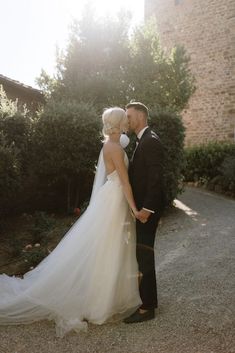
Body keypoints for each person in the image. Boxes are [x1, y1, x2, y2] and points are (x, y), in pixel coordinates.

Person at [0, 107, 142, 337]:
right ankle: (101, 302)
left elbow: (121, 146)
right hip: (116, 198)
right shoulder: (114, 147)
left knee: (108, 247)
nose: (128, 121)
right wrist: (135, 208)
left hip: (111, 196)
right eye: (125, 119)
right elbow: (125, 183)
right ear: (119, 123)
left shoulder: (112, 144)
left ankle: (107, 295)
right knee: (109, 248)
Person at [124, 102, 165, 324]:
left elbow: (155, 179)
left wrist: (146, 210)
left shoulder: (150, 141)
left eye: (129, 116)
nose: (127, 120)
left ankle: (147, 308)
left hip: (146, 211)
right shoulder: (144, 140)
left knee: (144, 255)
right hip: (142, 210)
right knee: (143, 254)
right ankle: (149, 301)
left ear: (140, 115)